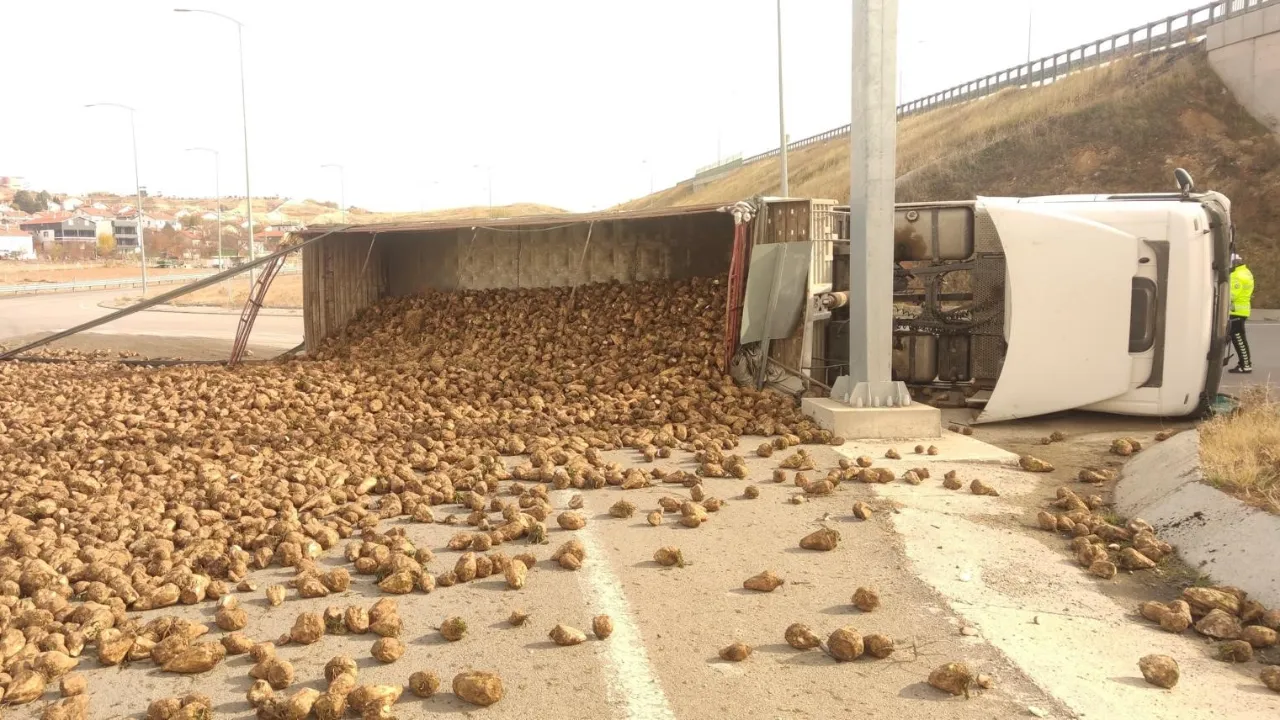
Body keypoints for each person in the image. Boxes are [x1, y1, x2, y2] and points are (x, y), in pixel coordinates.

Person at [1229, 252, 1255, 374]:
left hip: (1236, 310)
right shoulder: (1246, 272)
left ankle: (1245, 365)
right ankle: (1244, 363)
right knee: (1239, 337)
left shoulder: (1237, 276)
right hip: (1242, 309)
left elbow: (1231, 295)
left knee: (1238, 338)